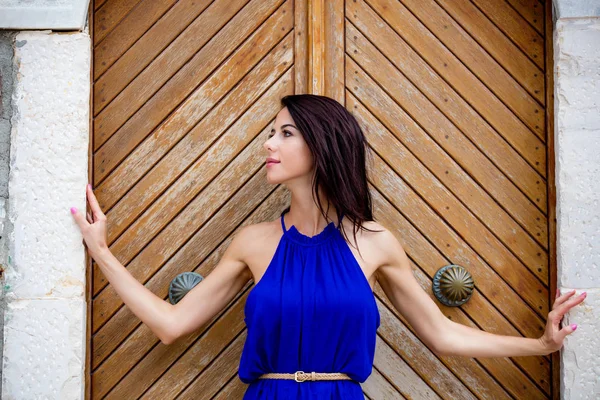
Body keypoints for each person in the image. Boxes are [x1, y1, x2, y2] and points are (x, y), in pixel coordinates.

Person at [71, 94, 586, 399]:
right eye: (271, 134)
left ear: (322, 145)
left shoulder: (376, 242)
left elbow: (443, 335)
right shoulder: (253, 242)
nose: (268, 145)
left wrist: (538, 347)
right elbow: (170, 326)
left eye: (285, 133)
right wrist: (102, 252)